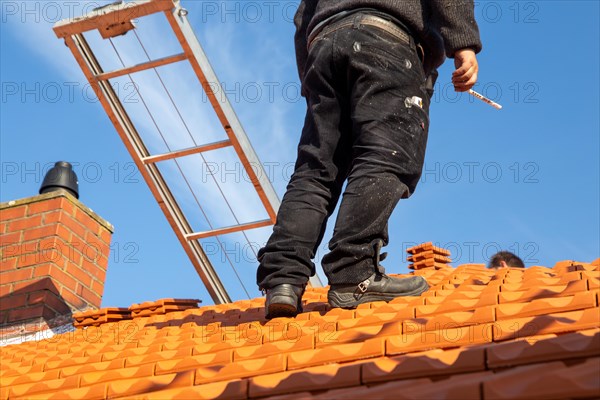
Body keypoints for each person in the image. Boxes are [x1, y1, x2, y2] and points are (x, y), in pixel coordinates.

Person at [257, 0, 482, 319]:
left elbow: (302, 16)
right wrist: (464, 45)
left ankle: (283, 281)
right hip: (385, 41)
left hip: (323, 46)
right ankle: (354, 273)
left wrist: (312, 83)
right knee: (386, 156)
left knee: (316, 171)